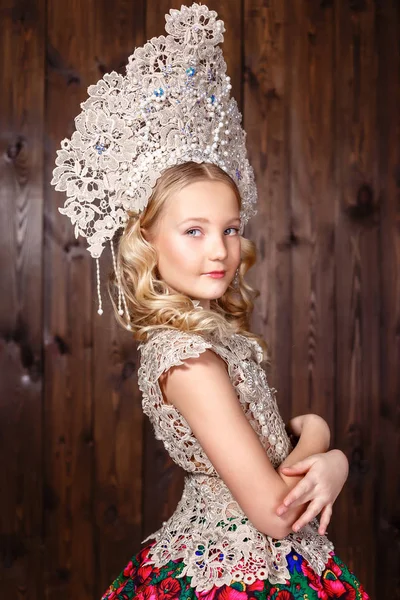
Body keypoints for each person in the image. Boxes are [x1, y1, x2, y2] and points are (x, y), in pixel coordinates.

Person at [51, 4, 370, 598]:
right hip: (232, 575)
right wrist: (328, 448)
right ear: (148, 238)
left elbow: (277, 439)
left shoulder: (210, 341)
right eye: (193, 230)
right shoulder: (188, 362)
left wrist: (314, 437)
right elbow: (277, 514)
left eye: (229, 228)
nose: (219, 249)